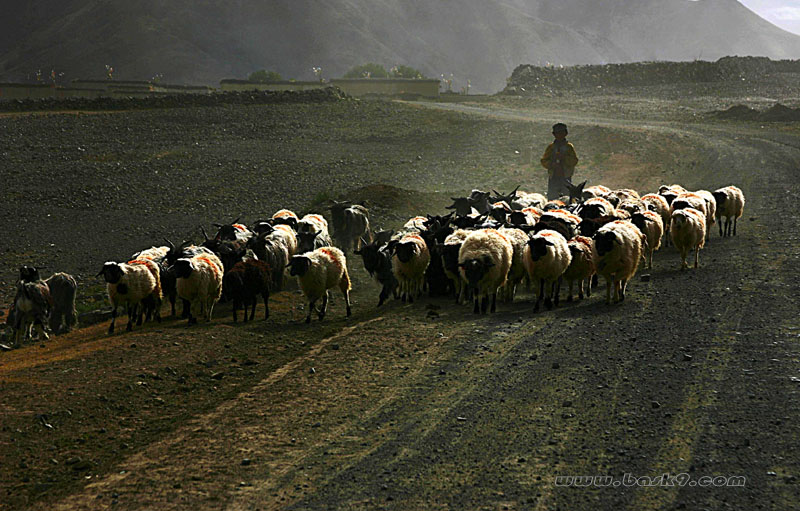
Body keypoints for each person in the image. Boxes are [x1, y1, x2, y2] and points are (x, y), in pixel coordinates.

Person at [540, 123, 579, 200]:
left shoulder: (569, 147)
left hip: (565, 176)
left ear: (566, 133)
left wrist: (564, 158)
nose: (559, 135)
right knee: (552, 197)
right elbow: (544, 160)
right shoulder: (551, 147)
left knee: (566, 197)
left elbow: (574, 161)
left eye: (561, 132)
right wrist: (552, 164)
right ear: (554, 134)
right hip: (554, 176)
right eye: (557, 133)